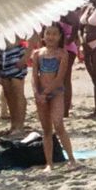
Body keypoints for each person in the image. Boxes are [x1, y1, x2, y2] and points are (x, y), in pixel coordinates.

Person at [32, 25, 79, 171]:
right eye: (48, 33)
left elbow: (59, 78)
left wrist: (46, 93)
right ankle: (49, 163)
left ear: (60, 37)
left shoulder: (62, 54)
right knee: (46, 129)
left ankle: (71, 158)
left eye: (54, 34)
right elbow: (34, 76)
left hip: (56, 93)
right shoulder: (37, 54)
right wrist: (37, 94)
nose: (51, 37)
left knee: (58, 125)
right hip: (41, 95)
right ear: (43, 36)